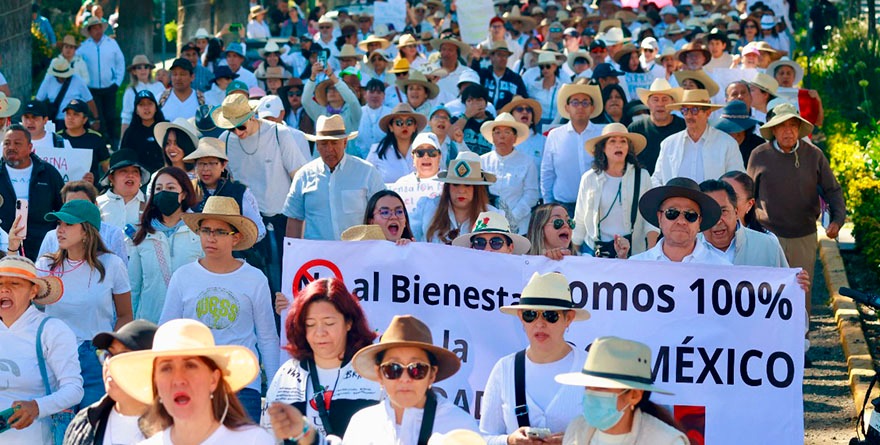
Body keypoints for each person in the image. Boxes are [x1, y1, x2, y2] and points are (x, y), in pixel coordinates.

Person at [160, 196, 280, 422]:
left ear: (236, 238)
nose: (211, 238)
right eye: (206, 230)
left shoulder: (255, 279)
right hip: (192, 383)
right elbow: (166, 332)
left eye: (220, 232)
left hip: (243, 385)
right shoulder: (182, 277)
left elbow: (267, 338)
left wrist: (275, 391)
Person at [747, 103, 846, 317]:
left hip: (803, 234)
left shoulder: (813, 154)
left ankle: (801, 345)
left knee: (800, 292)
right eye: (782, 126)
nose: (788, 131)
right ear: (773, 129)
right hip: (767, 235)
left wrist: (837, 220)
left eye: (793, 125)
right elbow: (748, 197)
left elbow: (832, 190)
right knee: (766, 293)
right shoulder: (759, 155)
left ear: (800, 129)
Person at [107, 319, 274, 444]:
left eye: (190, 366)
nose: (178, 379)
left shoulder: (253, 441)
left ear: (214, 379)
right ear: (156, 382)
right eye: (166, 368)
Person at [36, 200, 132, 408]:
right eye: (59, 223)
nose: (60, 230)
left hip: (95, 356)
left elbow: (125, 315)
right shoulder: (45, 265)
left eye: (68, 224)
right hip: (54, 355)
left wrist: (109, 352)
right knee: (59, 431)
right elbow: (24, 302)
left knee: (91, 427)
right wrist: (14, 248)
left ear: (87, 231)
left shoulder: (112, 264)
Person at [262, 278, 381, 439]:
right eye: (310, 324)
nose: (320, 332)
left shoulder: (374, 373)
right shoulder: (287, 374)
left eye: (329, 323)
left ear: (349, 322)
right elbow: (268, 436)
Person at [481, 271, 590, 444]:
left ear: (568, 318)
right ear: (521, 318)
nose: (540, 324)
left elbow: (615, 436)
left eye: (550, 315)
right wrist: (509, 441)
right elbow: (484, 437)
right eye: (530, 315)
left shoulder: (591, 368)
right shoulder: (504, 369)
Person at [340, 315, 477, 443]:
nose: (405, 379)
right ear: (380, 374)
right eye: (393, 369)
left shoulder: (459, 427)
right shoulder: (362, 425)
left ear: (432, 375)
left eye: (417, 369)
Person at [215, 93, 308, 276]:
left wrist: (300, 219)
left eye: (240, 126)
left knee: (287, 273)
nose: (237, 133)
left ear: (252, 116)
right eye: (232, 128)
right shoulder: (225, 139)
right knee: (252, 275)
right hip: (246, 221)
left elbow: (299, 176)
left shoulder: (278, 133)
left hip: (282, 217)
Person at [0, 255, 80, 445]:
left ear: (33, 291)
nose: (4, 289)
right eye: (0, 283)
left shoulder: (51, 330)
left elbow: (74, 389)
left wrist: (37, 407)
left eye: (15, 283)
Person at [555, 336, 688, 444]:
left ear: (634, 395)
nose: (591, 395)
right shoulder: (577, 429)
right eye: (588, 387)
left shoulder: (666, 441)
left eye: (601, 388)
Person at [284, 115, 386, 241]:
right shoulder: (304, 176)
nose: (329, 149)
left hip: (358, 252)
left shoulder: (367, 172)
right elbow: (294, 219)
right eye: (324, 144)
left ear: (345, 143)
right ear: (317, 146)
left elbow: (383, 212)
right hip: (318, 256)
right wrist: (292, 253)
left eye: (334, 143)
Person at [63, 320, 158, 445]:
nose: (110, 363)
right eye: (108, 354)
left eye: (123, 356)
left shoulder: (177, 427)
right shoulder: (85, 423)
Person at [128, 167, 202, 323]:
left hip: (191, 324)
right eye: (159, 189)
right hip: (151, 323)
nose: (163, 193)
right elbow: (134, 287)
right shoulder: (141, 234)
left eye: (171, 188)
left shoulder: (200, 232)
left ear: (183, 194)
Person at [573, 123, 657, 259]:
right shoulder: (589, 178)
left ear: (628, 148)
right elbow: (580, 218)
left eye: (623, 141)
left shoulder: (642, 176)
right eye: (612, 141)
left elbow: (651, 219)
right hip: (597, 254)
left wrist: (652, 254)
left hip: (634, 254)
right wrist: (574, 253)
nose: (618, 145)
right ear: (603, 148)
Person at [650, 89, 743, 187]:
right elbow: (657, 179)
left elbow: (737, 181)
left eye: (694, 110)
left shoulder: (727, 143)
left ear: (708, 113)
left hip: (713, 202)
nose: (689, 115)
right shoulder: (669, 143)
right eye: (685, 110)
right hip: (676, 201)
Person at [0, 125, 65, 260]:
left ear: (30, 147)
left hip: (43, 250)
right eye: (7, 143)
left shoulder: (48, 173)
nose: (11, 147)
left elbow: (62, 209)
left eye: (17, 143)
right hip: (3, 249)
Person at [629, 177, 729, 264]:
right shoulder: (635, 266)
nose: (681, 221)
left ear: (699, 222)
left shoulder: (722, 269)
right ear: (660, 218)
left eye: (690, 215)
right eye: (672, 213)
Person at [541, 82, 605, 216]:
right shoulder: (555, 135)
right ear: (567, 107)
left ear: (592, 108)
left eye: (585, 102)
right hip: (564, 206)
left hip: (598, 206)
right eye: (575, 102)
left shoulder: (602, 134)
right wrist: (549, 205)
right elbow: (547, 173)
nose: (580, 107)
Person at [183, 138, 266, 241]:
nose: (206, 169)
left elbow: (258, 230)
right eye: (201, 163)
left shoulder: (239, 192)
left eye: (212, 163)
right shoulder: (189, 190)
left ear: (223, 165)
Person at [697, 179, 788, 267]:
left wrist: (800, 281)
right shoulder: (687, 250)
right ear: (699, 218)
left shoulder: (768, 246)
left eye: (723, 211)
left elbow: (786, 281)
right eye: (709, 213)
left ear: (736, 212)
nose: (717, 221)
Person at [37, 181, 128, 266]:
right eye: (71, 203)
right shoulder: (51, 237)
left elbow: (122, 271)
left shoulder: (113, 233)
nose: (77, 208)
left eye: (83, 203)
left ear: (95, 204)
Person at [412, 152, 497, 243]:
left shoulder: (494, 217)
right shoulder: (427, 207)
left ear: (477, 189)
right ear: (447, 187)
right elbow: (410, 237)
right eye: (455, 184)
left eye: (468, 185)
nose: (461, 190)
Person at [479, 113, 539, 234]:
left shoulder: (527, 162)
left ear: (515, 138)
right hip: (486, 224)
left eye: (507, 132)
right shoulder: (482, 161)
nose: (502, 136)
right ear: (492, 137)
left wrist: (513, 217)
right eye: (497, 132)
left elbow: (531, 195)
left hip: (518, 226)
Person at [77, 16, 125, 144]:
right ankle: (101, 141)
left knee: (111, 114)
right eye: (94, 28)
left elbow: (120, 63)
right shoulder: (84, 47)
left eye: (99, 28)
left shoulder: (111, 43)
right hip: (92, 88)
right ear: (90, 31)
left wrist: (117, 82)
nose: (97, 31)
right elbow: (77, 65)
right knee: (97, 116)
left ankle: (114, 139)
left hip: (110, 86)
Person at [628, 79, 685, 175]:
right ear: (648, 103)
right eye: (655, 100)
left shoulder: (683, 127)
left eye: (665, 99)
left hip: (675, 185)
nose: (660, 104)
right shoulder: (635, 129)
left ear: (673, 102)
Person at [303, 62, 363, 144]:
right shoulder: (320, 112)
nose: (332, 92)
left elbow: (353, 101)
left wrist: (332, 76)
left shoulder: (352, 112)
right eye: (329, 89)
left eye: (336, 89)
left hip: (348, 155)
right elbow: (305, 101)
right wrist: (313, 76)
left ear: (343, 93)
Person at [367, 103, 427, 183]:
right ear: (391, 127)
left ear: (414, 127)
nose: (404, 126)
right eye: (399, 122)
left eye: (409, 122)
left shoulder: (426, 150)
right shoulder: (377, 151)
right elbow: (366, 180)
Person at [57, 99, 110, 185]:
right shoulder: (56, 137)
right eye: (68, 114)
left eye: (76, 114)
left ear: (85, 119)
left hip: (89, 190)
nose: (70, 118)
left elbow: (106, 168)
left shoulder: (96, 138)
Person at [35, 58, 97, 129]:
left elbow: (89, 100)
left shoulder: (77, 80)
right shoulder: (48, 80)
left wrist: (96, 119)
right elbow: (38, 100)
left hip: (75, 119)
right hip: (56, 119)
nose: (62, 78)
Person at [96, 149, 149, 231]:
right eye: (124, 171)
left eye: (135, 171)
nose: (130, 175)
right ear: (111, 178)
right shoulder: (97, 204)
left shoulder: (150, 203)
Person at [119, 90, 166, 173]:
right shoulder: (130, 134)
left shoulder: (165, 129)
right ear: (136, 110)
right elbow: (124, 160)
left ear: (156, 108)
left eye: (150, 103)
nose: (146, 108)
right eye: (141, 105)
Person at [120, 55, 166, 138]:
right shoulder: (130, 91)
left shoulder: (159, 86)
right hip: (138, 131)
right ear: (134, 71)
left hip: (158, 129)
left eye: (146, 67)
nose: (143, 70)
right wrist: (122, 140)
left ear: (150, 70)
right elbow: (126, 117)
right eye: (139, 67)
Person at [499, 96, 545, 174]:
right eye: (519, 109)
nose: (525, 112)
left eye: (528, 110)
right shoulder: (500, 139)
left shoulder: (544, 141)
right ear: (511, 116)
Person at [476, 41, 528, 110]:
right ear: (491, 57)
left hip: (506, 117)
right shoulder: (483, 75)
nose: (503, 58)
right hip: (483, 116)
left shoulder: (515, 79)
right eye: (499, 55)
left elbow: (523, 100)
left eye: (505, 56)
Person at [450, 210, 531, 254]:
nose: (487, 249)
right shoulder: (460, 280)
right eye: (479, 243)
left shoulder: (522, 281)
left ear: (510, 248)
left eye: (496, 243)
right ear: (472, 247)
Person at [712, 100, 765, 166]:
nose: (735, 135)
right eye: (730, 130)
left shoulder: (759, 147)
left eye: (739, 130)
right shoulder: (715, 146)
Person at [159, 58, 205, 123]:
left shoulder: (203, 101)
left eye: (182, 74)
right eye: (174, 74)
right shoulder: (160, 100)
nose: (178, 78)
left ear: (192, 77)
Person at [527, 52, 565, 129]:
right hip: (537, 125)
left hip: (557, 125)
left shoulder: (562, 87)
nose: (545, 69)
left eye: (548, 66)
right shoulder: (534, 87)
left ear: (555, 67)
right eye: (542, 67)